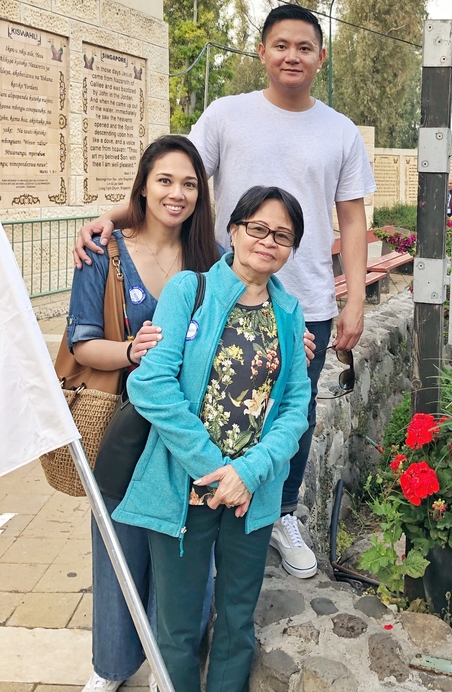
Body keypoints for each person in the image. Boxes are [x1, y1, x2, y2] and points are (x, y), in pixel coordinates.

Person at [75, 4, 376, 578]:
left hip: (304, 303)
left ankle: (279, 512)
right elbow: (174, 177)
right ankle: (201, 507)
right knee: (202, 405)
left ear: (321, 57)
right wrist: (111, 217)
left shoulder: (339, 131)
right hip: (222, 298)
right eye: (281, 45)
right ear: (261, 52)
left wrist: (354, 300)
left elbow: (353, 220)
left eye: (305, 47)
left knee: (293, 412)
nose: (293, 56)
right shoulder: (225, 116)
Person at [112, 186, 311, 692]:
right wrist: (212, 465)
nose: (268, 242)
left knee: (237, 623)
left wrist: (248, 471)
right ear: (235, 230)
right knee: (177, 628)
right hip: (186, 487)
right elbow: (150, 385)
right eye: (258, 228)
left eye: (283, 236)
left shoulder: (288, 313)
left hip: (251, 494)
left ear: (292, 248)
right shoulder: (189, 291)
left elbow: (295, 405)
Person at [67, 135, 220, 692]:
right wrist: (133, 352)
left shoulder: (212, 262)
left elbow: (250, 315)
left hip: (189, 430)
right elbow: (83, 343)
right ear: (144, 185)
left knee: (184, 545)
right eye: (165, 180)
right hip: (124, 429)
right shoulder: (105, 252)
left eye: (189, 183)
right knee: (119, 543)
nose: (176, 194)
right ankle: (110, 665)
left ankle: (169, 660)